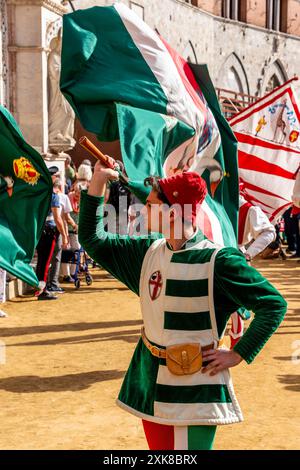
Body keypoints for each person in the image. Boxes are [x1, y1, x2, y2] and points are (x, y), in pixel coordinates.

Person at [78, 159, 287, 451]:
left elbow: (273, 304)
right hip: (149, 381)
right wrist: (98, 182)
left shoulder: (220, 261)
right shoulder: (147, 252)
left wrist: (239, 353)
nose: (143, 209)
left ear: (174, 213)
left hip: (196, 389)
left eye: (150, 205)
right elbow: (92, 239)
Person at [229, 194, 276, 348]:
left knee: (231, 297)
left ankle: (237, 335)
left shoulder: (249, 209)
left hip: (235, 256)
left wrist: (248, 254)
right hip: (212, 254)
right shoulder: (208, 204)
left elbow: (269, 232)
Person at [35, 166, 68, 300]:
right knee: (46, 262)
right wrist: (65, 235)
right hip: (49, 231)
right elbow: (57, 218)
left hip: (40, 230)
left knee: (41, 262)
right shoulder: (52, 195)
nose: (58, 178)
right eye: (57, 176)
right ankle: (42, 291)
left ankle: (39, 287)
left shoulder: (40, 193)